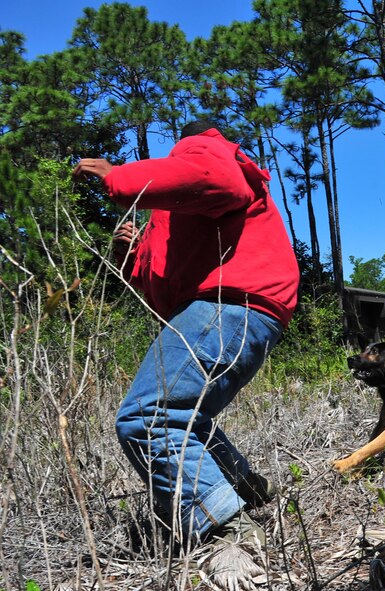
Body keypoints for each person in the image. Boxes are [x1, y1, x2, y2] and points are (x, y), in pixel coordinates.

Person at [73, 120, 300, 548]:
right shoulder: (172, 215)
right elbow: (159, 284)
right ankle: (245, 487)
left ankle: (226, 532)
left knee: (148, 416)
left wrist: (118, 175)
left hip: (228, 304)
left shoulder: (207, 150)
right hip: (225, 308)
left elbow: (218, 180)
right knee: (185, 416)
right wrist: (132, 252)